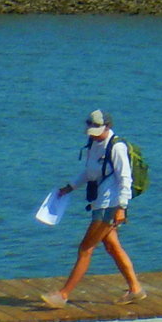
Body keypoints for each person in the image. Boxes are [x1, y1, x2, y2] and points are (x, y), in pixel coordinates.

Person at [41, 109, 143, 308]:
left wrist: (122, 208)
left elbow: (125, 180)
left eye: (97, 130)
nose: (94, 134)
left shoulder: (117, 147)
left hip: (110, 206)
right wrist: (69, 188)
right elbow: (89, 173)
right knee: (112, 246)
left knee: (85, 249)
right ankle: (135, 289)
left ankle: (63, 295)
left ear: (108, 127)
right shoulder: (94, 145)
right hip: (99, 204)